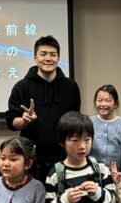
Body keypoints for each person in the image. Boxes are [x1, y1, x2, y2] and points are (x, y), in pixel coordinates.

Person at [6, 35, 82, 182]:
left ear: (58, 58)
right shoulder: (22, 87)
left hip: (64, 158)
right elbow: (12, 122)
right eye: (43, 54)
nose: (48, 58)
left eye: (53, 54)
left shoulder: (70, 87)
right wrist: (24, 120)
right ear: (35, 58)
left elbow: (75, 121)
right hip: (31, 159)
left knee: (64, 196)